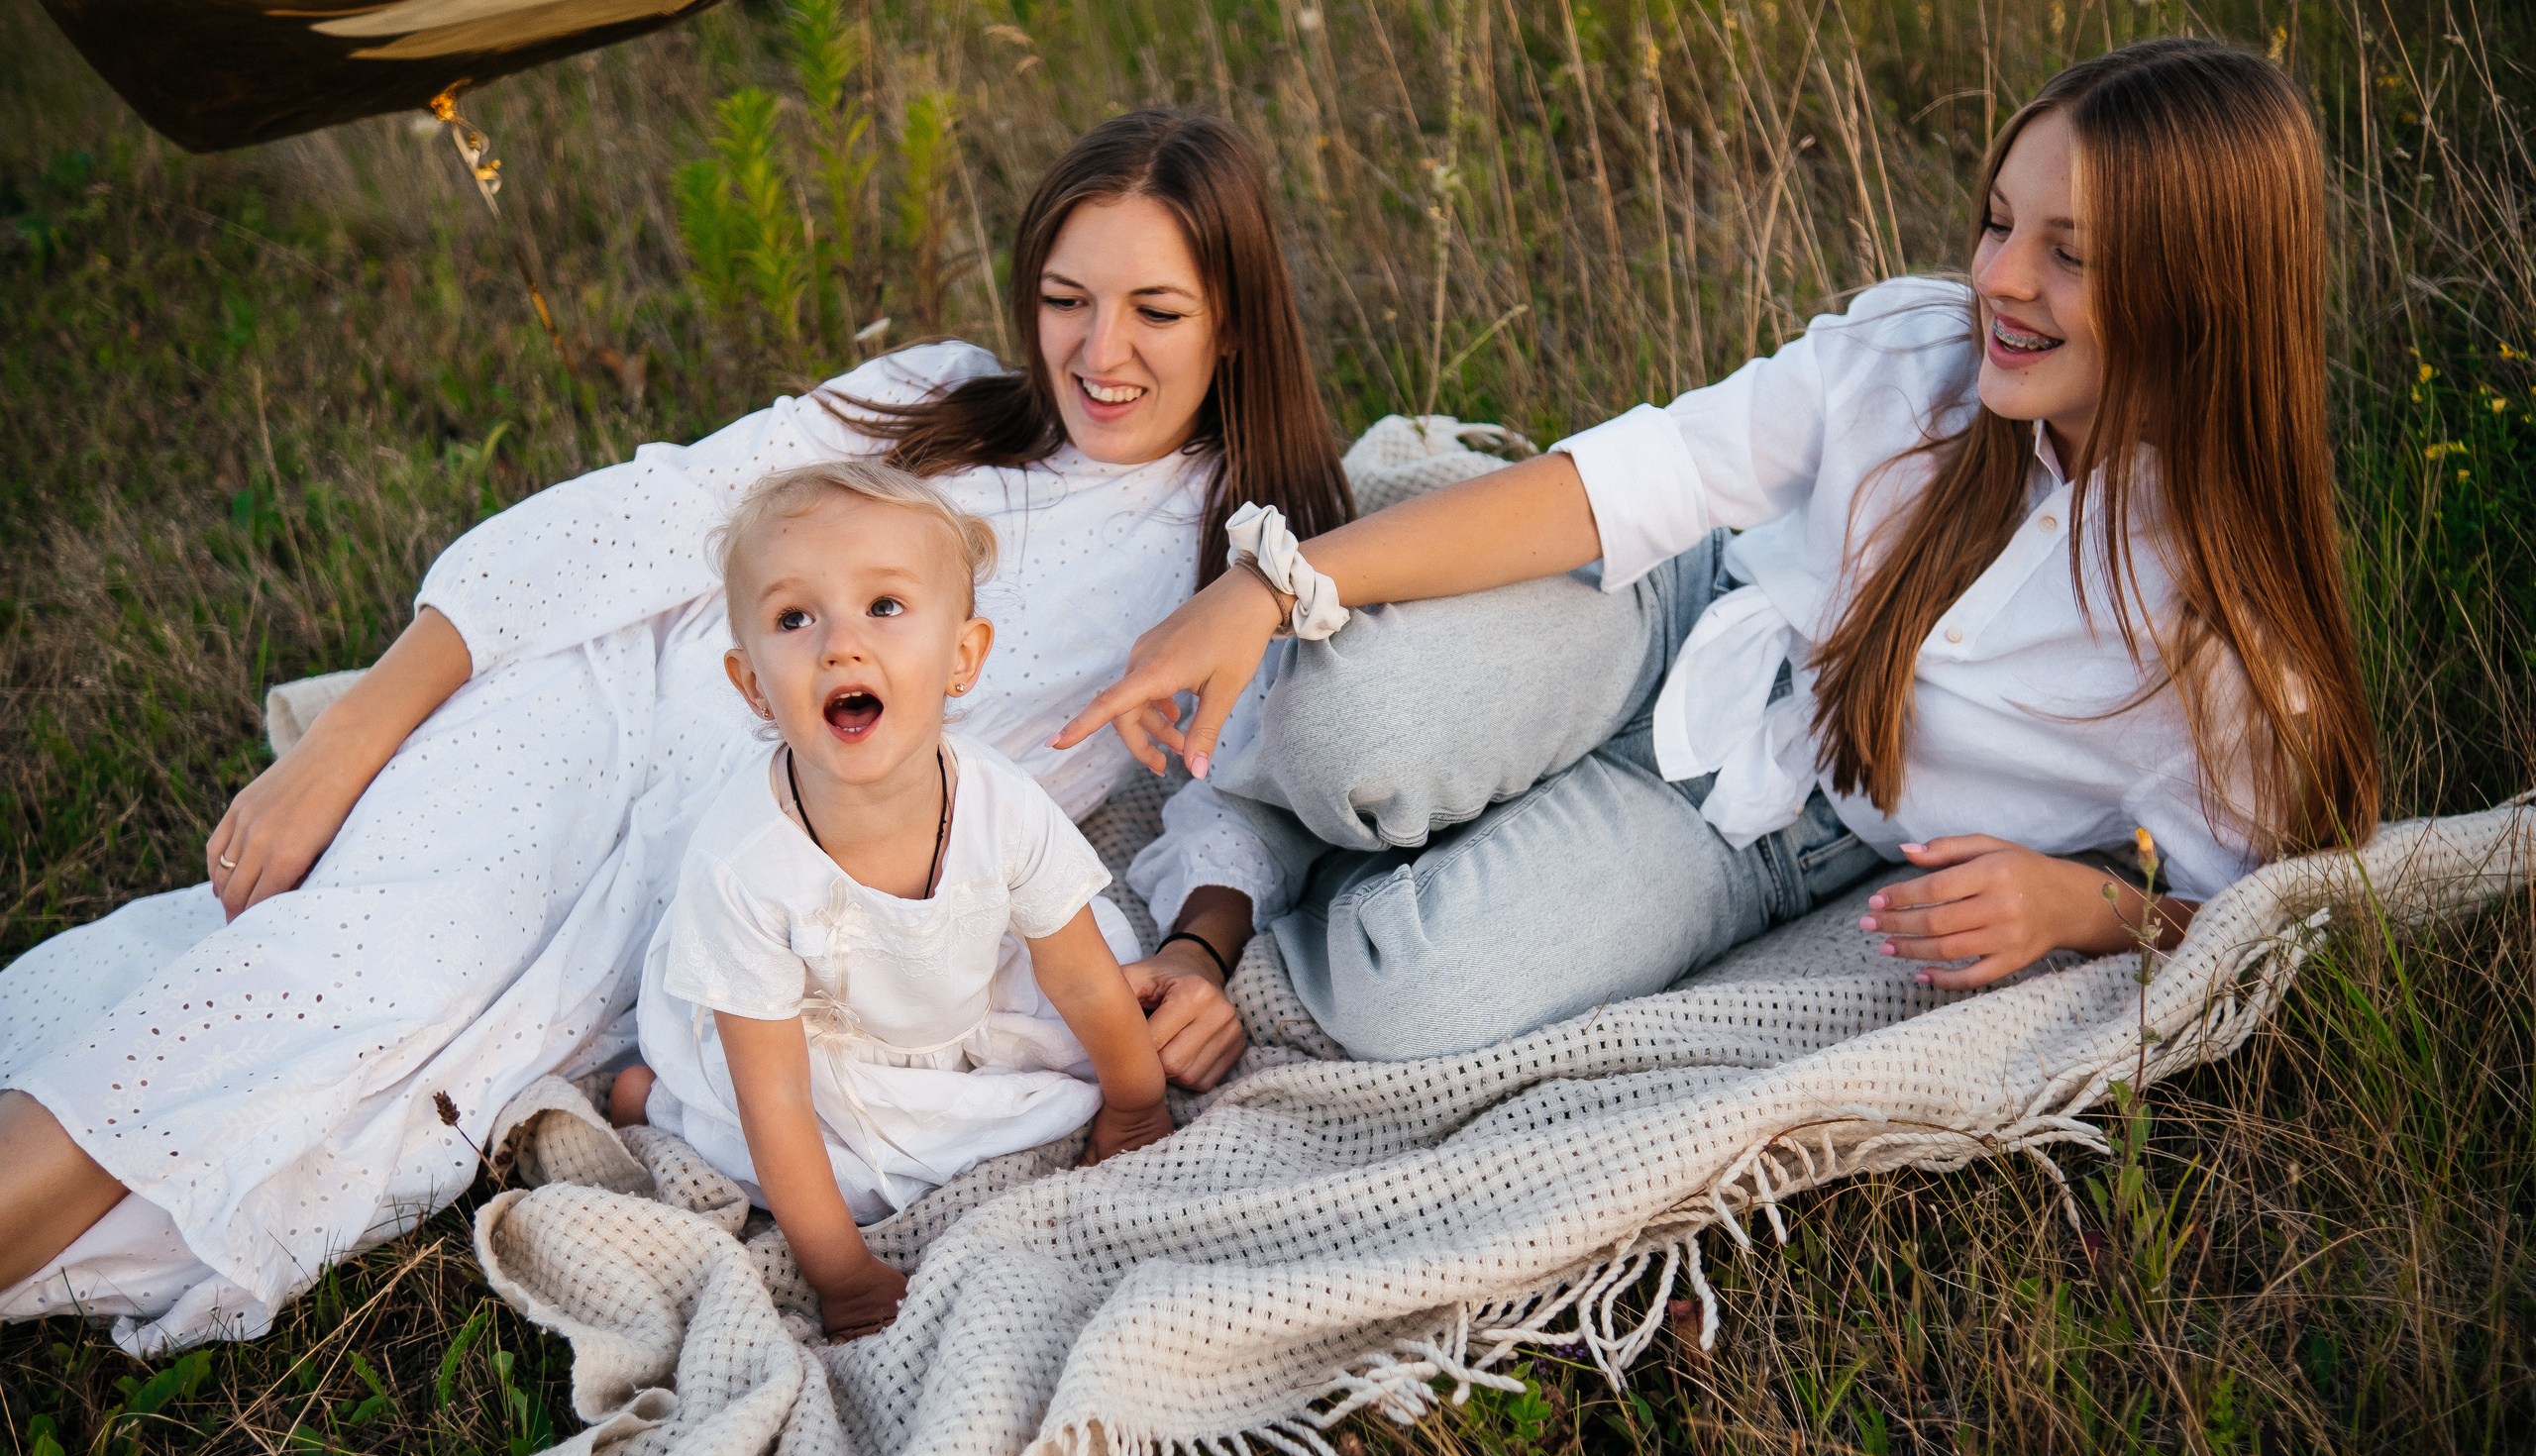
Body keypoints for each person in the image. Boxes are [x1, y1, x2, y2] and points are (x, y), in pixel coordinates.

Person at [0, 109, 1350, 1348]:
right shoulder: (941, 397)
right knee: (350, 978)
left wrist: (1196, 940)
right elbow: (649, 514)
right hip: (588, 719)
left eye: (1154, 312)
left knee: (389, 1078)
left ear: (1235, 323)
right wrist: (347, 737)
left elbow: (1242, 783)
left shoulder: (1241, 557)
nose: (1097, 353)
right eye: (1065, 300)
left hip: (724, 853)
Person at [1057, 38, 2380, 1060]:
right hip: (1670, 618)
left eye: (2068, 255)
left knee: (1406, 990)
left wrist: (2083, 906)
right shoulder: (1912, 355)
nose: (1996, 278)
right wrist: (1277, 580)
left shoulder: (2224, 644)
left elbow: (2257, 912)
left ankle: (1281, 880)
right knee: (1338, 727)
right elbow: (1612, 486)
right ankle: (1256, 845)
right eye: (1997, 222)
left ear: (2203, 297)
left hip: (1783, 829)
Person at [617, 462, 1173, 1339]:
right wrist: (845, 1280)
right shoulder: (744, 865)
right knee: (763, 1147)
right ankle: (658, 1092)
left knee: (1087, 1030)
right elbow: (778, 1102)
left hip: (967, 994)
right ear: (753, 685)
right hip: (813, 1046)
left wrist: (1138, 1101)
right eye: (794, 617)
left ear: (962, 658)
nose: (841, 643)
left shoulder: (999, 804)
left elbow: (1079, 977)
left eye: (883, 606)